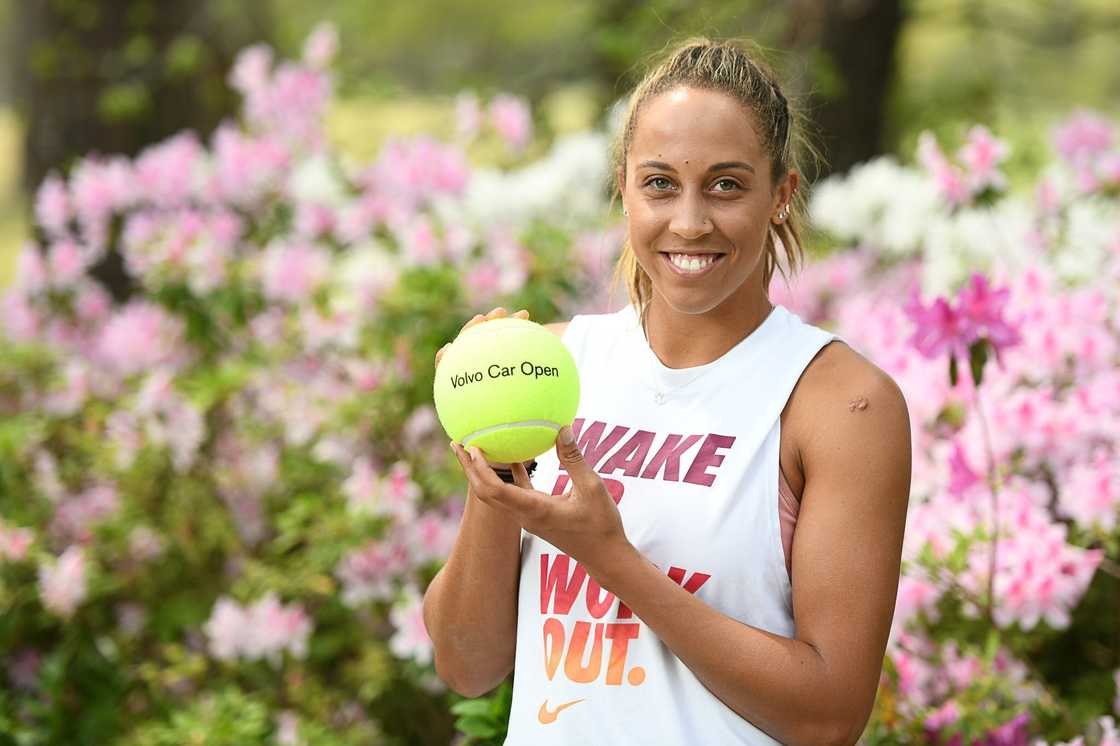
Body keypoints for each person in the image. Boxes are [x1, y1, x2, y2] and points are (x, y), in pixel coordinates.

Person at [423, 37, 911, 746]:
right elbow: (467, 666)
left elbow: (828, 716)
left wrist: (611, 559)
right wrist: (497, 473)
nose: (689, 221)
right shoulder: (551, 369)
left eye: (726, 185)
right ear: (622, 188)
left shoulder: (839, 402)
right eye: (659, 183)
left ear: (780, 195)